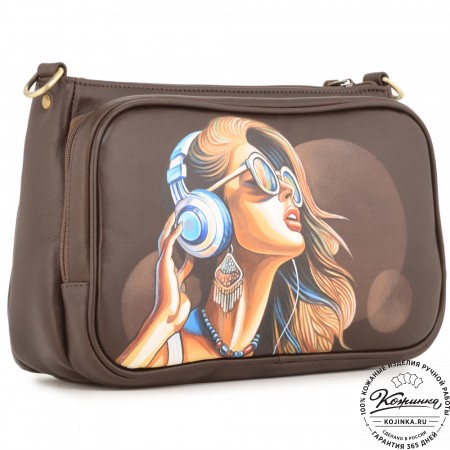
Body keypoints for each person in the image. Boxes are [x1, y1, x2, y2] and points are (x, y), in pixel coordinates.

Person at [116, 116, 355, 369]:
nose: (287, 190)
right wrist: (161, 322)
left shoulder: (294, 346)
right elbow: (116, 384)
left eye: (287, 179)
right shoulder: (164, 351)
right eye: (260, 176)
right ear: (211, 215)